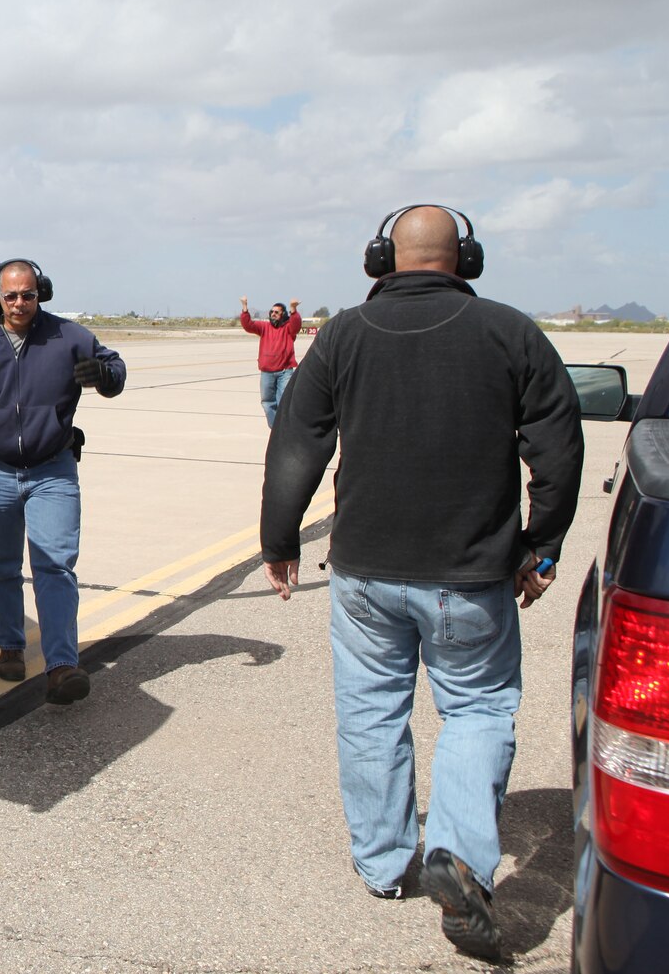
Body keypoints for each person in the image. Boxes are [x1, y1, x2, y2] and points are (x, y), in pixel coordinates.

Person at [258, 206, 582, 962]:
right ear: (464, 258)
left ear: (382, 259)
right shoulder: (511, 332)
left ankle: (384, 865)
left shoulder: (341, 336)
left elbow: (297, 440)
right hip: (470, 576)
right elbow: (558, 443)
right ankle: (460, 858)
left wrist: (279, 540)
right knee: (474, 710)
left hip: (367, 573)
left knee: (371, 714)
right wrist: (541, 543)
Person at [0, 259, 125, 702]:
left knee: (54, 565)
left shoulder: (69, 337)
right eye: (10, 295)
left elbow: (114, 370)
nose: (19, 304)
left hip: (53, 471)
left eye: (28, 294)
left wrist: (104, 376)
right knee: (3, 567)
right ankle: (11, 646)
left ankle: (62, 665)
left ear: (42, 293)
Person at [238, 295, 302, 427]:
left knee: (284, 401)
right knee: (267, 403)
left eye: (276, 312)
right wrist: (244, 308)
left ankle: (286, 429)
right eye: (271, 312)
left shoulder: (288, 329)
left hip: (284, 372)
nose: (273, 314)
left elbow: (296, 325)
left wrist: (293, 310)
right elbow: (248, 325)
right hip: (266, 372)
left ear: (283, 314)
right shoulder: (264, 327)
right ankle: (276, 430)